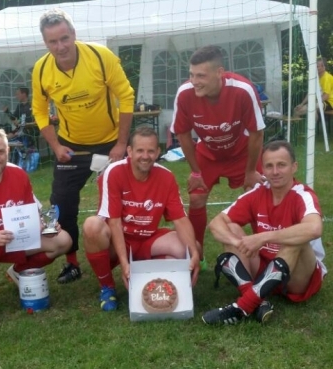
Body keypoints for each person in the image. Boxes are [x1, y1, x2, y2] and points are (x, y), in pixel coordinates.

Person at [31, 8, 135, 284]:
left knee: (124, 199)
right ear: (45, 43)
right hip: (71, 146)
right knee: (62, 202)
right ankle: (72, 262)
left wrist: (121, 143)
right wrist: (55, 146)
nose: (60, 46)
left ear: (74, 34)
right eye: (53, 41)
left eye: (64, 38)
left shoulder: (100, 56)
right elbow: (39, 110)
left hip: (110, 143)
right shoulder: (41, 69)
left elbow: (126, 96)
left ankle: (131, 252)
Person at [202, 140, 326, 325]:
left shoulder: (302, 194)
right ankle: (257, 298)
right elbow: (216, 223)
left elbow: (314, 228)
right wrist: (238, 244)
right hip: (264, 268)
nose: (275, 171)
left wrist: (262, 237)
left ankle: (242, 307)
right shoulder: (258, 192)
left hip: (297, 277)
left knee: (295, 240)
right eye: (269, 166)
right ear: (263, 169)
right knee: (231, 228)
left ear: (294, 167)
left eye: (281, 165)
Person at [82, 127, 200, 311]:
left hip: (147, 239)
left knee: (191, 248)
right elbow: (114, 222)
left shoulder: (166, 177)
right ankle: (107, 287)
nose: (145, 156)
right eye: (140, 151)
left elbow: (180, 219)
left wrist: (194, 253)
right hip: (119, 239)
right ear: (129, 151)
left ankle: (147, 271)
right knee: (92, 226)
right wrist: (124, 263)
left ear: (158, 152)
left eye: (151, 151)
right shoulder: (114, 172)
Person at [170, 45, 265, 266]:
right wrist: (196, 171)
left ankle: (266, 252)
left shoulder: (243, 89)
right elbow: (183, 134)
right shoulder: (184, 93)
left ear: (219, 72)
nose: (194, 81)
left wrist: (251, 171)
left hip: (241, 152)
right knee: (196, 197)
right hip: (208, 153)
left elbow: (257, 133)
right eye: (191, 74)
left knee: (257, 194)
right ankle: (197, 254)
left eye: (201, 76)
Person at [0, 127, 71, 306]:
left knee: (63, 240)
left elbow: (33, 211)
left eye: (1, 151)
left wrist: (45, 225)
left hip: (17, 239)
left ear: (8, 150)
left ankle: (19, 270)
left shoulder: (18, 174)